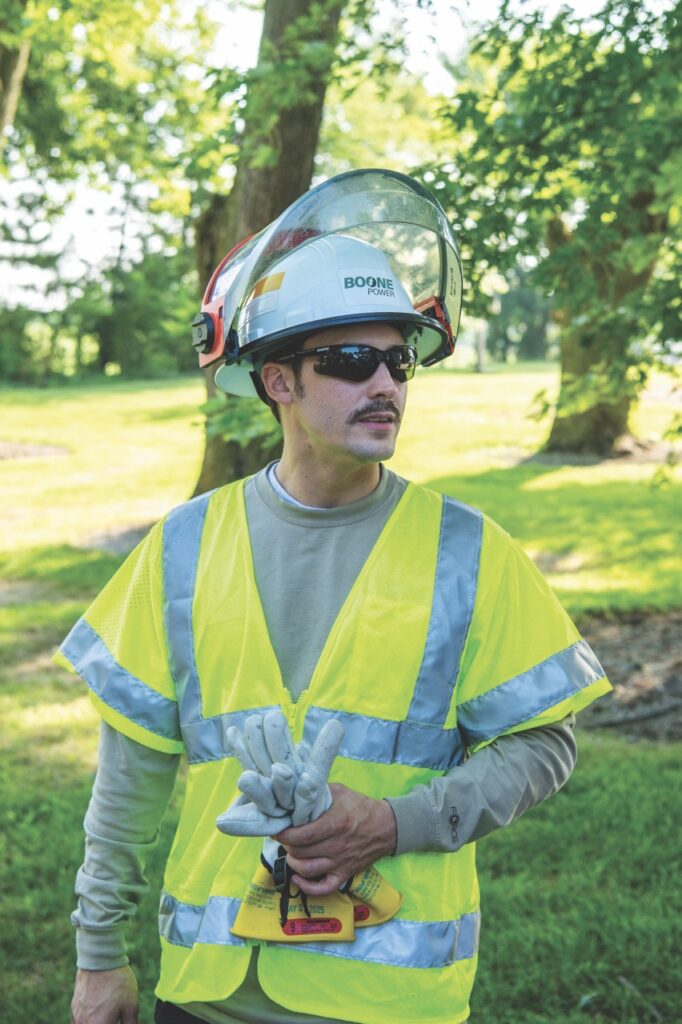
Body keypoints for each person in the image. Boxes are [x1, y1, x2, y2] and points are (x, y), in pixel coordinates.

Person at [58, 170, 611, 1024]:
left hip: (389, 997)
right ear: (279, 382)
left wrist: (395, 823)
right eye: (352, 361)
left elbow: (545, 744)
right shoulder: (182, 548)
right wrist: (100, 958)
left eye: (398, 360)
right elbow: (128, 781)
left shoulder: (469, 552)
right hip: (205, 996)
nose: (384, 384)